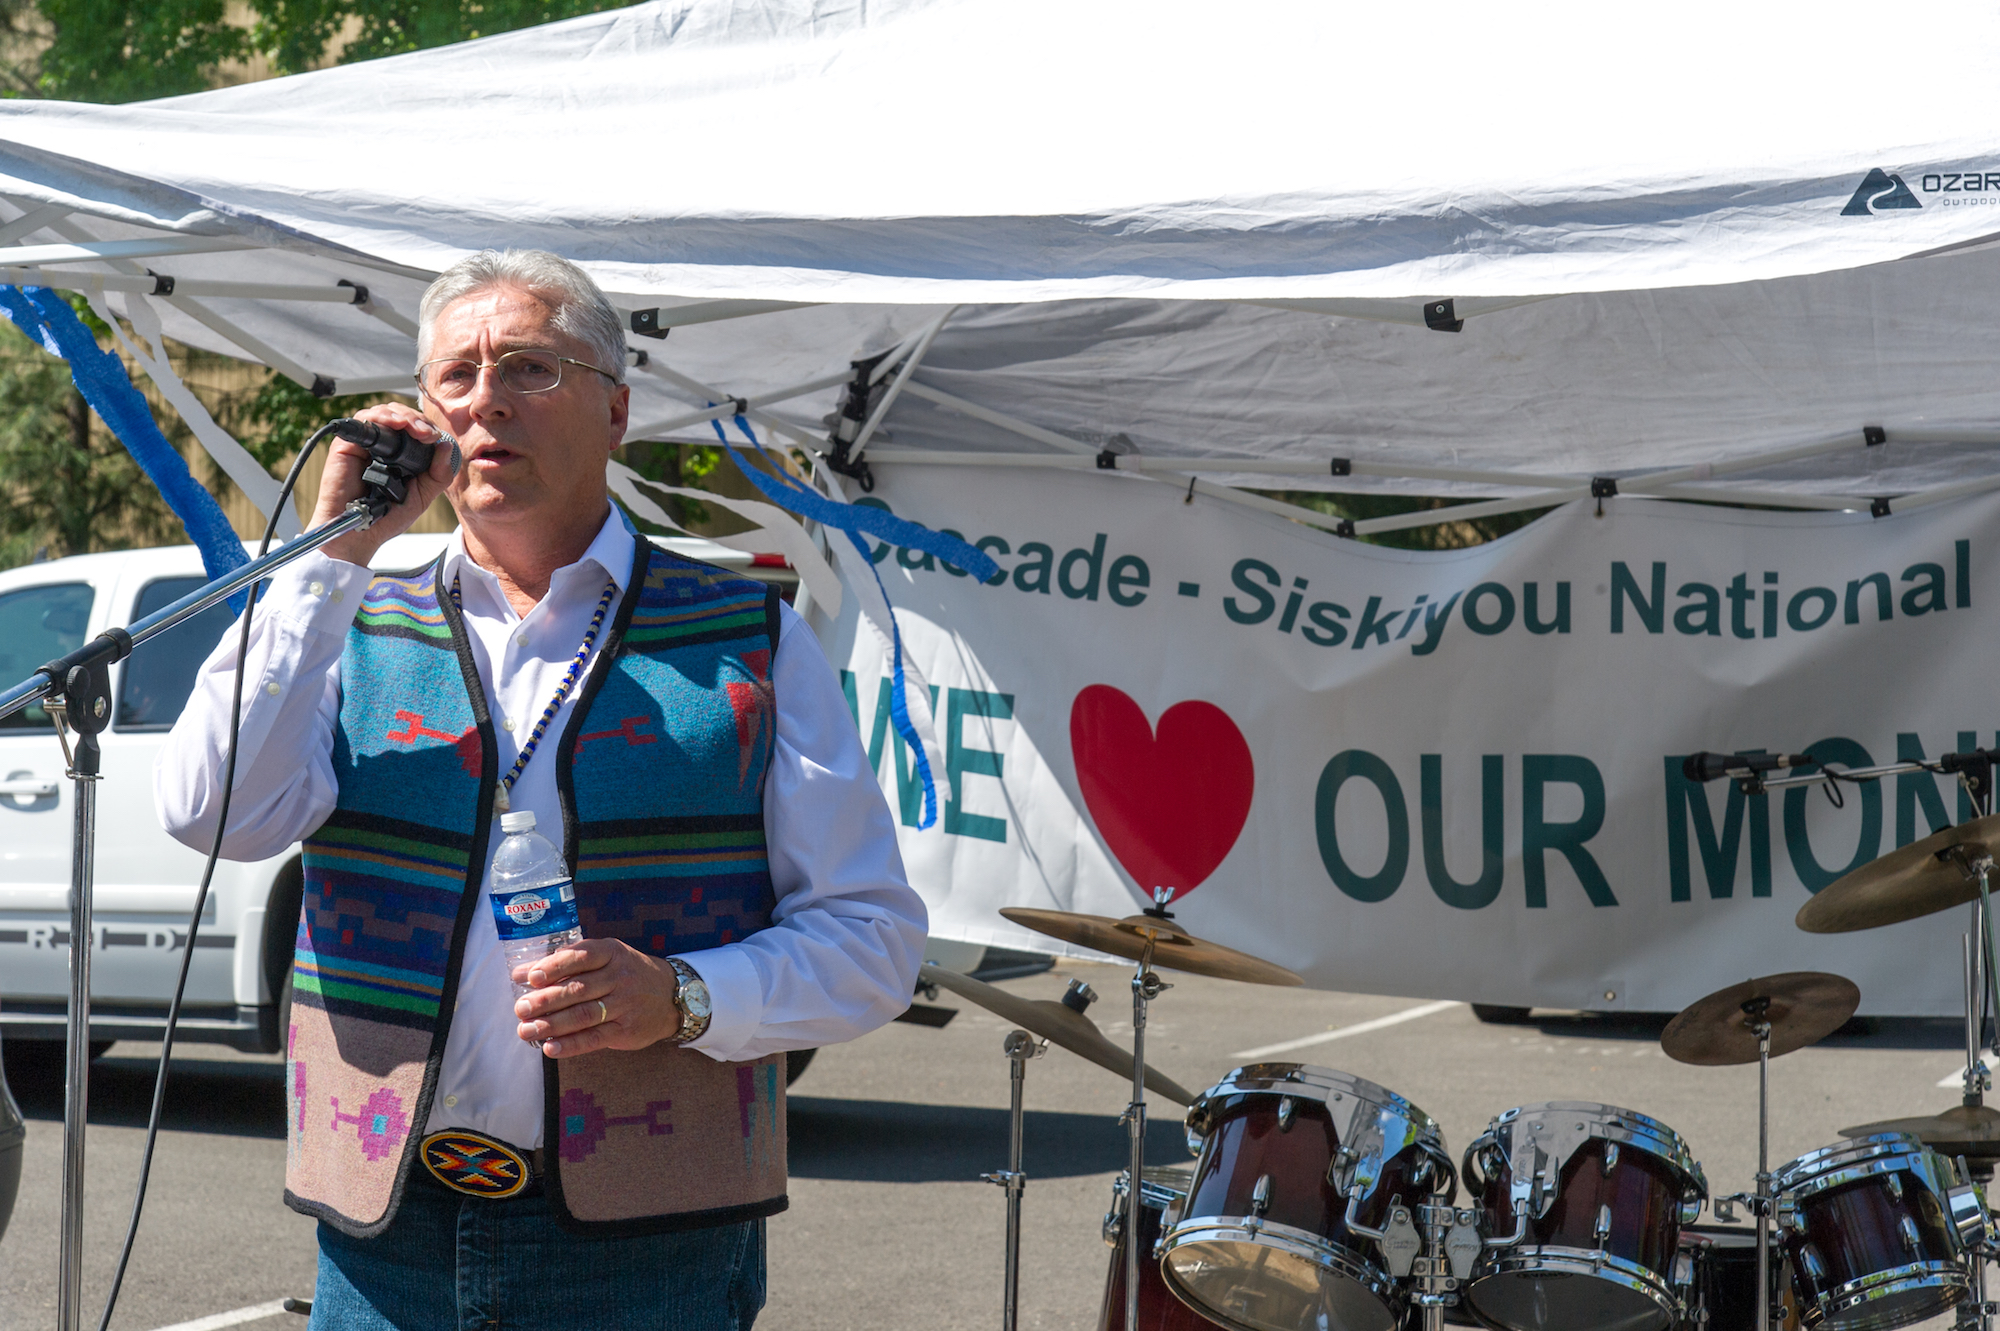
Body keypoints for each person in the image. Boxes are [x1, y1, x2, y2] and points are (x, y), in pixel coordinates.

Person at [156, 249, 926, 1330]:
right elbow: (213, 811)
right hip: (388, 1231)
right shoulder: (344, 617)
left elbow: (871, 937)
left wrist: (685, 994)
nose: (485, 401)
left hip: (645, 1248)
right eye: (454, 377)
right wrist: (325, 560)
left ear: (616, 410)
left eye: (528, 367)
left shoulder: (747, 632)